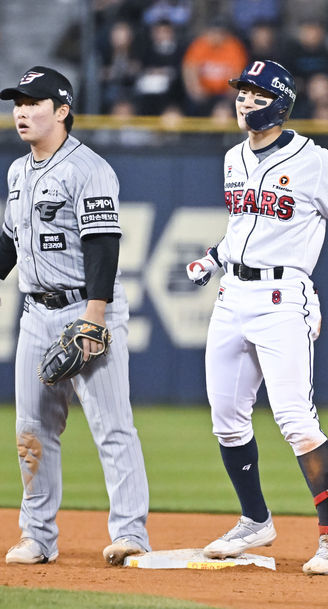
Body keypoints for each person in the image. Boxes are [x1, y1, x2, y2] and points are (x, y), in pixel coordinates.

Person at [186, 59, 328, 575]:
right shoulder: (233, 158)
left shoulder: (317, 162)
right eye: (241, 92)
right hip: (232, 293)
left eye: (256, 94)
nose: (245, 101)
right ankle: (255, 520)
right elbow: (246, 230)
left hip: (284, 297)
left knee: (297, 422)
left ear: (281, 103)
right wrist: (214, 258)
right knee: (226, 418)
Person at [0, 66, 150, 566]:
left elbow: (104, 245)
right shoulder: (18, 171)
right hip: (35, 313)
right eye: (17, 101)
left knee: (112, 426)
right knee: (32, 430)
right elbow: (8, 246)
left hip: (85, 307)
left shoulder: (89, 168)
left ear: (62, 110)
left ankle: (131, 533)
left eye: (34, 101)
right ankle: (37, 537)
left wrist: (94, 318)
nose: (21, 110)